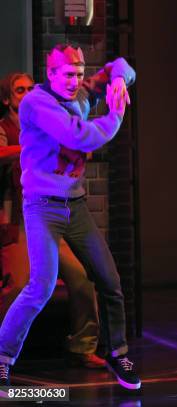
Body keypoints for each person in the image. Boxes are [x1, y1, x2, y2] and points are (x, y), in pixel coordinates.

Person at [0, 44, 140, 390]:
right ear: (50, 75)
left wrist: (119, 80)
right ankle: (3, 356)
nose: (75, 81)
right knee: (40, 287)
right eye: (67, 75)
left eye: (79, 74)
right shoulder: (37, 102)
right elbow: (78, 135)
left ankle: (117, 351)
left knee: (109, 280)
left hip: (74, 205)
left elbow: (121, 65)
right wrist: (116, 113)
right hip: (41, 207)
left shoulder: (79, 94)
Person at [0, 72, 105, 369]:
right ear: (8, 99)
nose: (28, 94)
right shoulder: (6, 127)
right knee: (20, 285)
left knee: (82, 275)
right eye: (20, 90)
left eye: (31, 89)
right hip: (20, 220)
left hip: (49, 219)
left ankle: (82, 346)